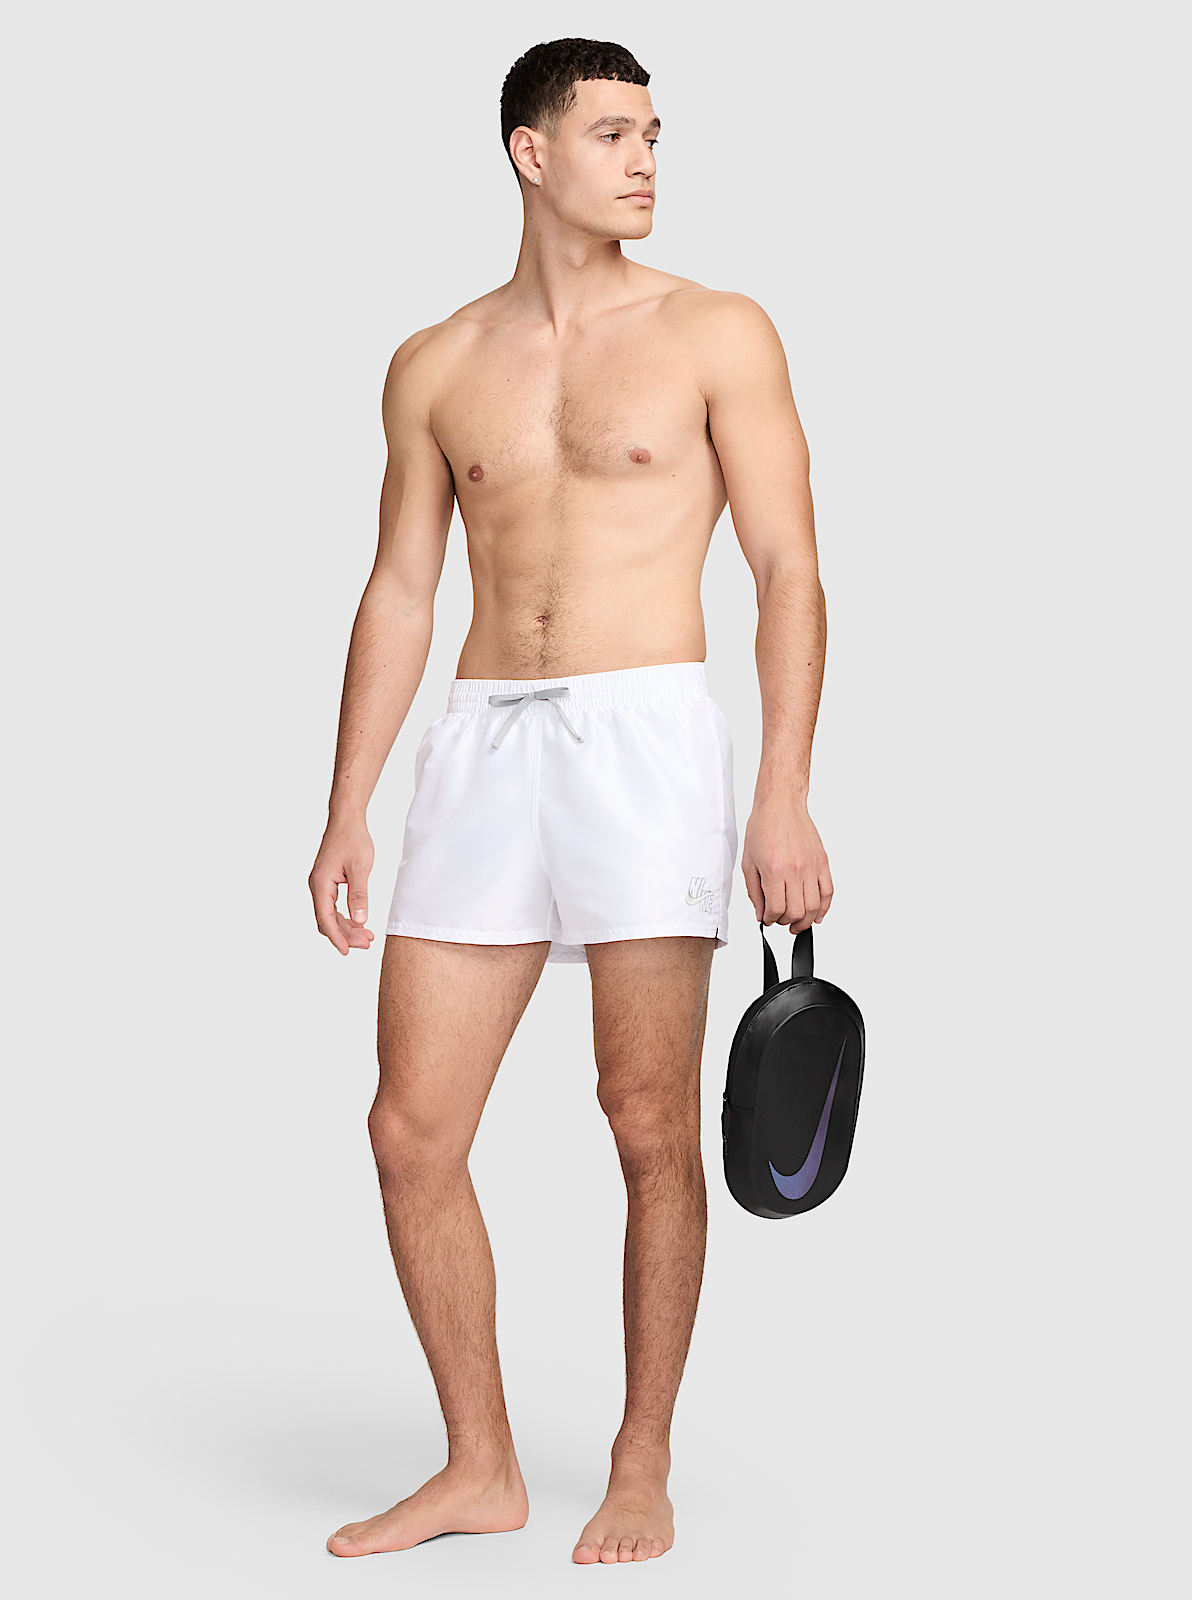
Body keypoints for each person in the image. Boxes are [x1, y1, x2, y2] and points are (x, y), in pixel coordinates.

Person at [308, 37, 833, 1565]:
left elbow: (789, 571)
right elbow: (402, 590)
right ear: (530, 153)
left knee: (649, 1116)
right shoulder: (434, 362)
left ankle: (640, 1460)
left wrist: (784, 793)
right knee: (410, 1128)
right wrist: (347, 805)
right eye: (612, 134)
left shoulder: (717, 330)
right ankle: (479, 1464)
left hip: (645, 736)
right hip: (483, 742)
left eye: (654, 132)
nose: (646, 158)